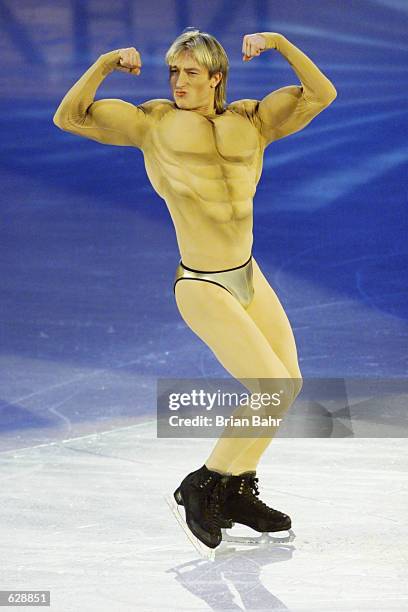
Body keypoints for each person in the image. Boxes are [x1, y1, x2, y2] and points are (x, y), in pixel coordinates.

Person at [53, 27, 337, 552]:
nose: (178, 82)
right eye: (173, 73)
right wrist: (104, 63)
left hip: (248, 276)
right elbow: (69, 116)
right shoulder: (154, 123)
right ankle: (201, 483)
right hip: (202, 283)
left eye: (189, 73)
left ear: (216, 78)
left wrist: (278, 42)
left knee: (288, 385)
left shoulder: (252, 120)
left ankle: (237, 488)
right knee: (269, 387)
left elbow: (322, 94)